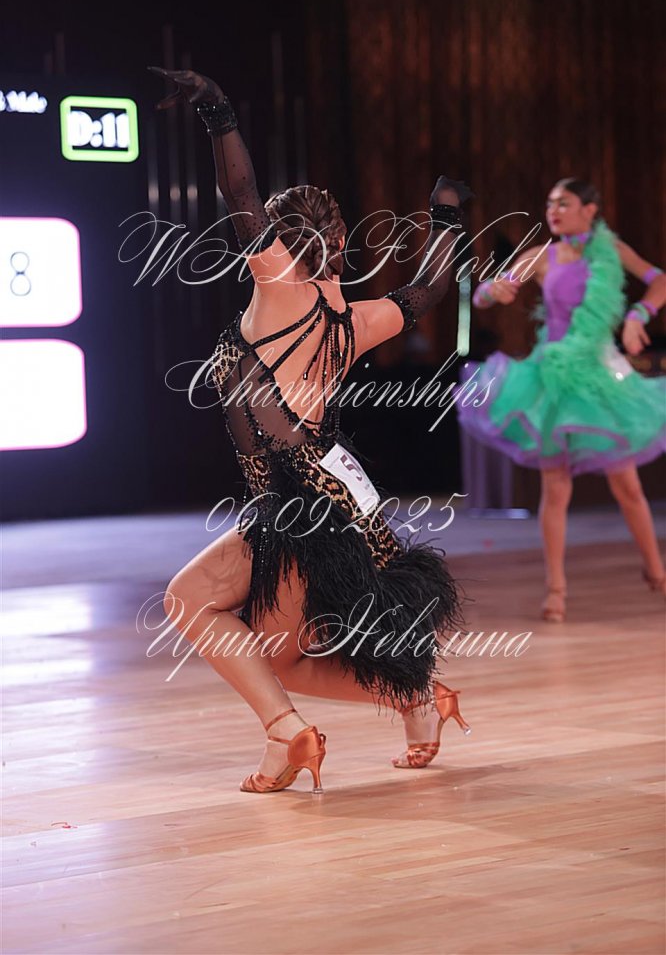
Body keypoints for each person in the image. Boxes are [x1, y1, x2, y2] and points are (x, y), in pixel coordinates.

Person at [149, 67, 472, 793]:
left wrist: (218, 109)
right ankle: (417, 697)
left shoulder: (278, 289)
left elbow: (239, 195)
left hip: (299, 501)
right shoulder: (359, 318)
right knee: (279, 656)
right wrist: (447, 217)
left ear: (282, 241)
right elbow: (428, 289)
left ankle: (288, 736)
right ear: (338, 240)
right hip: (329, 495)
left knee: (188, 599)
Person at [459, 177, 666, 622]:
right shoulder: (541, 256)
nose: (553, 211)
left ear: (589, 210)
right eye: (550, 203)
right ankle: (556, 589)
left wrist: (639, 314)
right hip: (553, 376)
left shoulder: (613, 252)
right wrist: (493, 290)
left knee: (627, 484)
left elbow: (659, 280)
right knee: (556, 486)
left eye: (564, 203)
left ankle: (656, 569)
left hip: (601, 376)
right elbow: (484, 294)